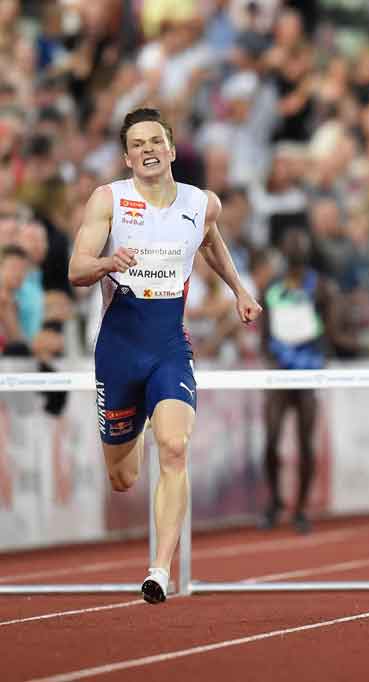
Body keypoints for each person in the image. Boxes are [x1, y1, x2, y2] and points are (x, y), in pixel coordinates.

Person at [68, 108, 262, 603]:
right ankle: (134, 425)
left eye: (156, 140)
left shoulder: (202, 204)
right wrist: (108, 261)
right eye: (137, 144)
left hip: (169, 346)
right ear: (127, 156)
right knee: (123, 477)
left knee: (174, 448)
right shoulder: (109, 199)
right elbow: (76, 268)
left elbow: (212, 243)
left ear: (172, 150)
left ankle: (159, 569)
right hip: (119, 347)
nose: (147, 149)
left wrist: (238, 289)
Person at [260, 226, 342, 534]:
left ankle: (301, 507)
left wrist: (323, 358)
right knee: (270, 438)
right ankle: (275, 502)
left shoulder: (320, 287)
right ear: (283, 251)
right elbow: (265, 333)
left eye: (300, 245)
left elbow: (330, 331)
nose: (296, 249)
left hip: (308, 370)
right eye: (291, 244)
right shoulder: (272, 287)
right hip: (280, 372)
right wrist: (273, 360)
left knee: (305, 441)